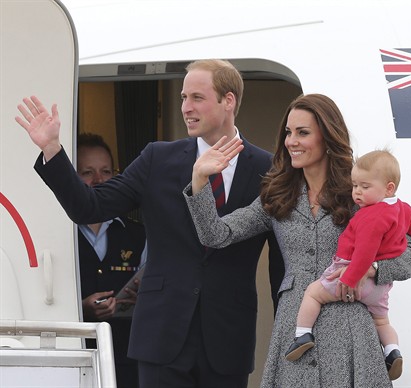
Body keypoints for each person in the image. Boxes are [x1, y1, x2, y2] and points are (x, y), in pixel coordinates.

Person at [15, 58, 284, 388]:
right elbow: (89, 207)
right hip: (161, 335)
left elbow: (281, 263)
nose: (186, 107)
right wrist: (53, 149)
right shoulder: (158, 159)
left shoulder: (268, 169)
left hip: (229, 337)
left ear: (228, 101)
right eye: (183, 98)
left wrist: (291, 333)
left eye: (196, 98)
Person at [183, 93, 411, 387]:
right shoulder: (277, 195)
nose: (291, 141)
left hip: (350, 329)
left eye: (303, 133)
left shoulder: (360, 191)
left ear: (327, 137)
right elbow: (217, 235)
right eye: (288, 132)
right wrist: (199, 180)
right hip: (295, 326)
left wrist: (373, 270)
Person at [283, 149, 411, 380]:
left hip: (351, 273)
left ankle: (302, 334)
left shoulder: (370, 216)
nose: (357, 192)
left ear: (388, 188)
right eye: (355, 186)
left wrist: (349, 278)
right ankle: (392, 351)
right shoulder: (403, 208)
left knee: (313, 294)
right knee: (381, 320)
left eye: (364, 187)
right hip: (380, 288)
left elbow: (364, 253)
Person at [76, 132, 147, 388]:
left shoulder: (138, 233)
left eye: (106, 171)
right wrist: (82, 307)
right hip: (75, 355)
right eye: (87, 172)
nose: (98, 180)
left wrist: (144, 295)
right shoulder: (59, 234)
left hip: (126, 358)